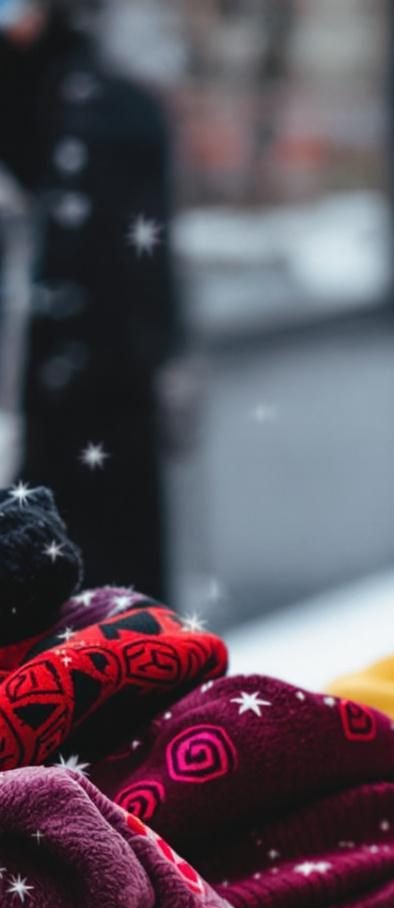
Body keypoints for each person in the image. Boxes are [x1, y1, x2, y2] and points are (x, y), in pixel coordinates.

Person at [0, 0, 180, 595]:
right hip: (48, 385)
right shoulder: (43, 96)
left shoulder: (115, 110)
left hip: (102, 387)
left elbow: (147, 260)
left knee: (101, 571)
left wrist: (169, 361)